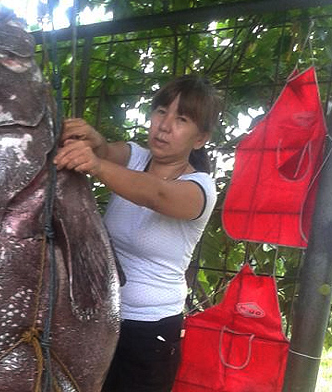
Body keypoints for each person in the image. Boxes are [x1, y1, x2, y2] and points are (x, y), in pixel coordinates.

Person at [53, 75, 222, 392]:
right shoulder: (136, 157)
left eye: (181, 119)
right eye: (161, 112)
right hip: (99, 318)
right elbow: (105, 149)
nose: (165, 126)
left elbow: (155, 195)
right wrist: (91, 138)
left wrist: (97, 165)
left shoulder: (200, 189)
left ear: (200, 138)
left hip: (150, 333)